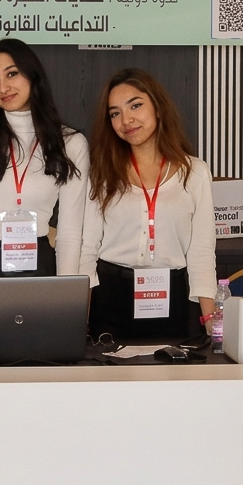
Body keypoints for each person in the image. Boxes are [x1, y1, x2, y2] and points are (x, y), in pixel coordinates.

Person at [80, 68, 217, 341]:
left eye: (135, 106)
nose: (126, 120)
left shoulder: (195, 173)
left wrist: (210, 320)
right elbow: (87, 250)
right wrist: (78, 319)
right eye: (115, 113)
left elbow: (201, 252)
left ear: (158, 107)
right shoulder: (101, 174)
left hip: (174, 301)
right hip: (111, 299)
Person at [0, 39, 88, 277]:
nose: (3, 87)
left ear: (32, 75)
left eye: (12, 74)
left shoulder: (70, 142)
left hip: (38, 267)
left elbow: (69, 233)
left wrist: (67, 292)